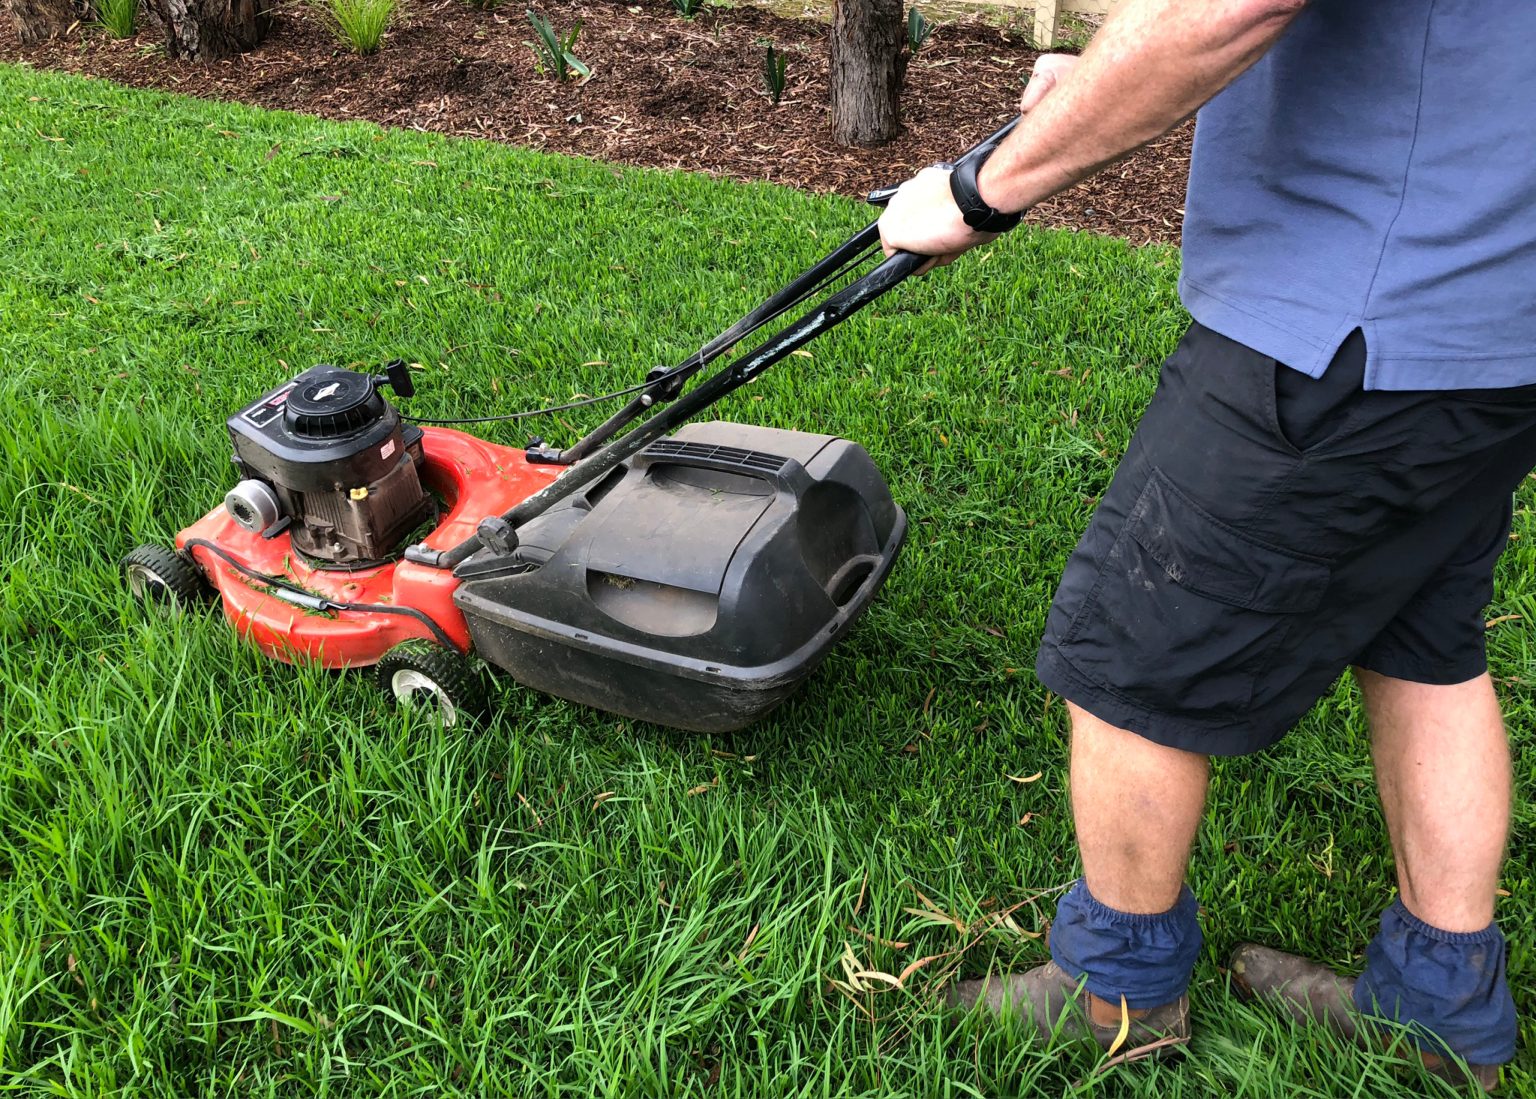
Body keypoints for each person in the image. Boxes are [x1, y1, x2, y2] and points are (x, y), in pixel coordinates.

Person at [877, 0, 1534, 1089]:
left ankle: (1116, 996)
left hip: (1349, 314)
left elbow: (1229, 9)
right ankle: (1441, 1007)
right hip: (1495, 313)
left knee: (1130, 654)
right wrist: (1092, 85)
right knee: (1423, 638)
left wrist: (978, 190)